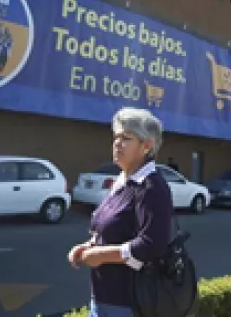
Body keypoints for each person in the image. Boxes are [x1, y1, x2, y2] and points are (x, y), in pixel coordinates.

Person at [67, 108, 173, 317]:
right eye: (116, 136)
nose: (117, 143)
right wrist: (88, 246)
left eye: (126, 138)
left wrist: (102, 255)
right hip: (103, 298)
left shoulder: (151, 186)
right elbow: (113, 229)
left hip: (129, 303)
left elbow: (153, 244)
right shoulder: (122, 181)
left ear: (146, 146)